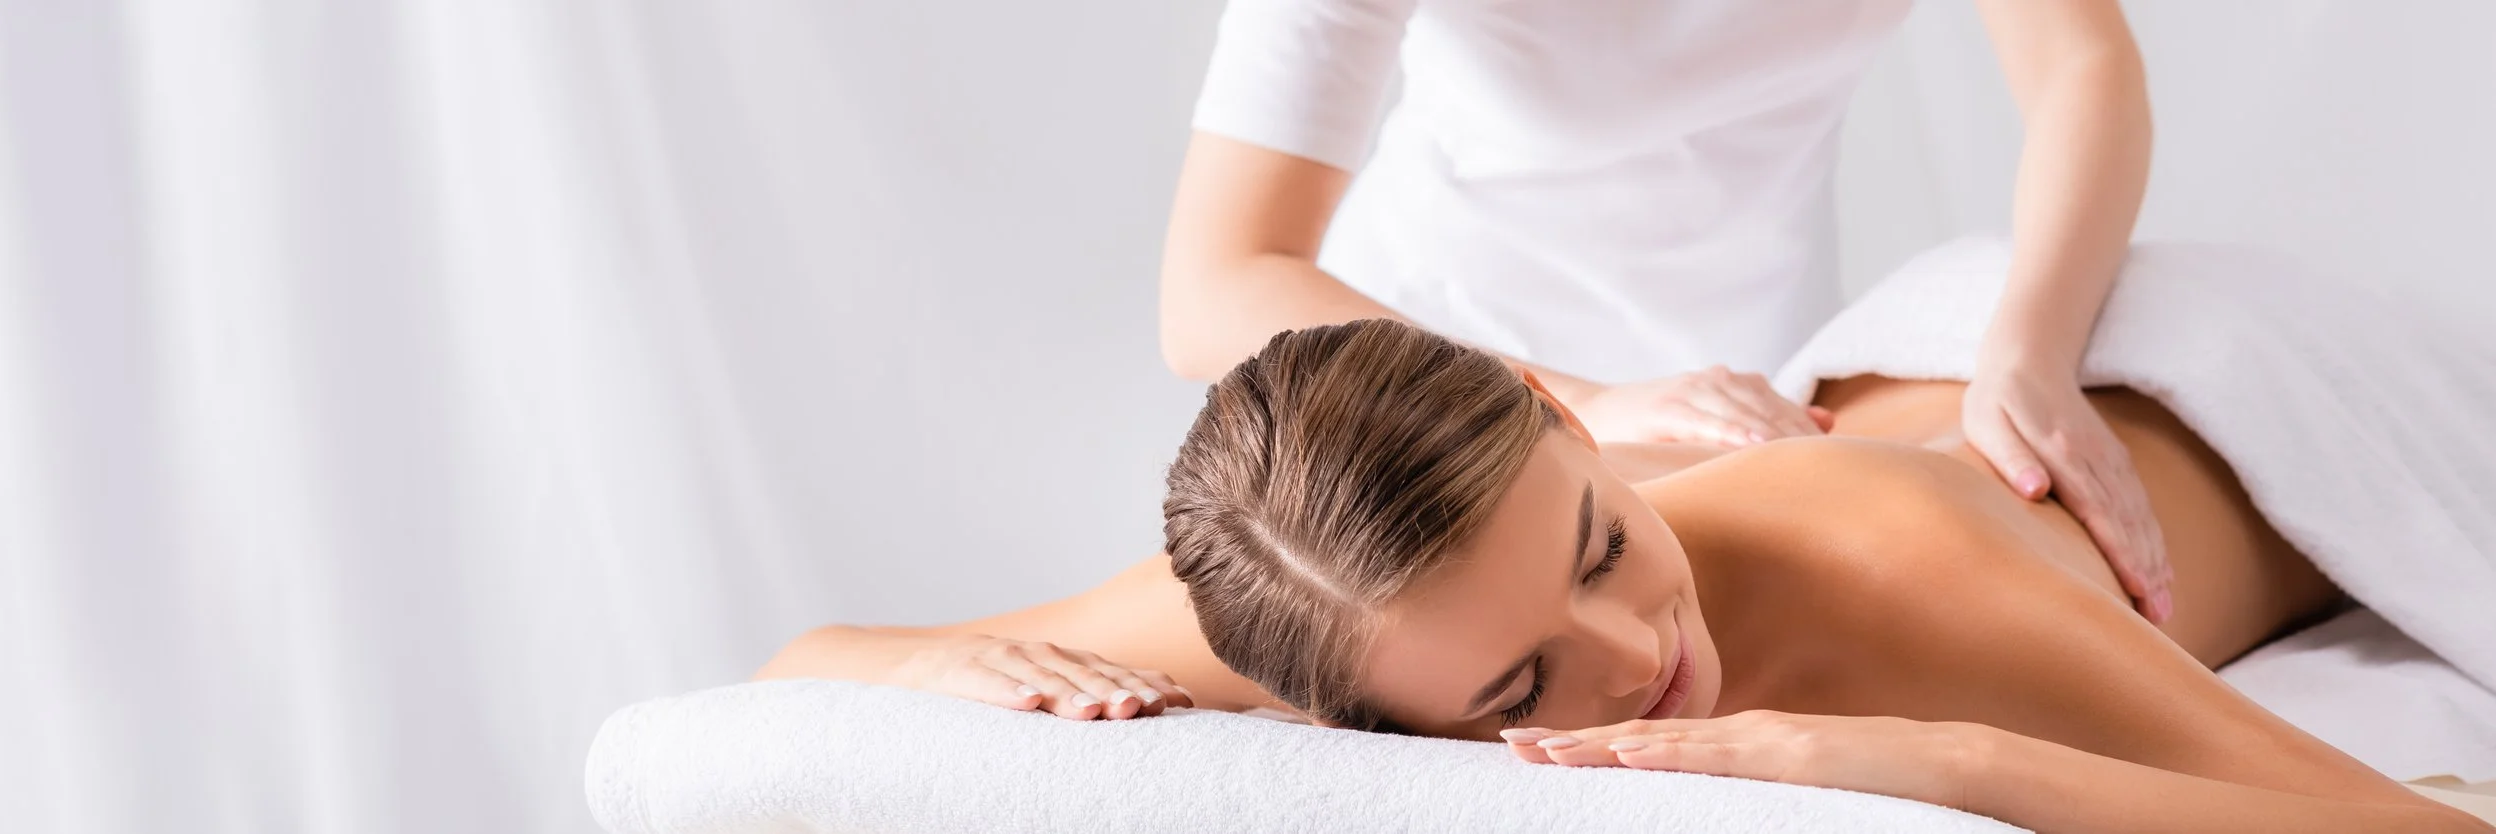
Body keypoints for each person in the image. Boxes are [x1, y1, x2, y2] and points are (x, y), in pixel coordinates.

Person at [757, 319, 2490, 830]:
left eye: (1597, 541)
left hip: (2217, 377)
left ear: (1557, 410)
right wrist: (948, 673)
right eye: (1514, 688)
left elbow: (2410, 830)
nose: (1638, 647)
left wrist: (1952, 761)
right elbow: (812, 658)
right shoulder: (1305, 586)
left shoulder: (1903, 556)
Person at [1158, 0, 2173, 622]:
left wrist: (2030, 350)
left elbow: (2081, 65)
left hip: (1747, 384)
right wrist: (1576, 405)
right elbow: (1215, 285)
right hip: (1436, 387)